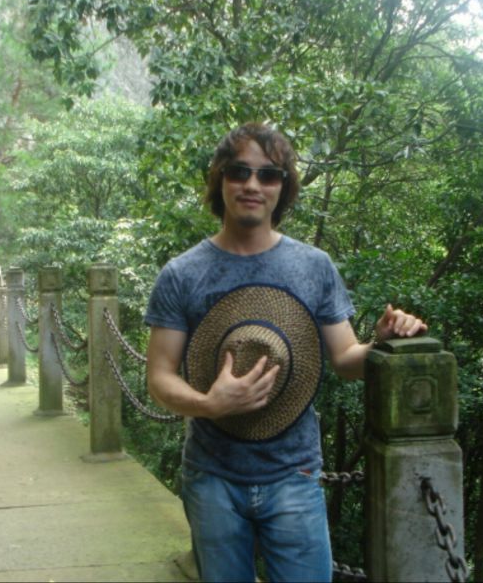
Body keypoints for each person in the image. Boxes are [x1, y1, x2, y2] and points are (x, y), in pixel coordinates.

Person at [145, 123, 427, 583]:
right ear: (220, 179)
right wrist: (209, 404)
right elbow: (159, 376)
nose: (253, 185)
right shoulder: (182, 275)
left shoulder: (313, 266)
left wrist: (384, 342)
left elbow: (346, 361)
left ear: (283, 186)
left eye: (269, 174)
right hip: (212, 476)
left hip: (294, 473)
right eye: (239, 171)